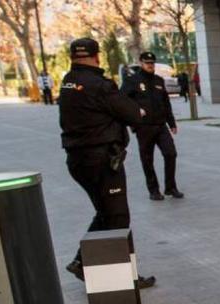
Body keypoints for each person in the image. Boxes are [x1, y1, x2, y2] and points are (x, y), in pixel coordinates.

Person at [59, 38, 155, 288]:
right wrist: (138, 111)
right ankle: (120, 280)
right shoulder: (100, 85)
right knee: (118, 217)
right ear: (97, 56)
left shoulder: (68, 81)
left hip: (77, 160)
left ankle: (81, 262)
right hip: (101, 160)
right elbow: (133, 113)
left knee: (105, 212)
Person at [121, 52, 184, 200]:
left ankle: (170, 187)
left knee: (170, 153)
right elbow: (122, 100)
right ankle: (153, 190)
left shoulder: (158, 80)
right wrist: (135, 112)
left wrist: (171, 122)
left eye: (152, 63)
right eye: (147, 63)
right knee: (147, 160)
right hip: (144, 127)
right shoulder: (132, 81)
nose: (150, 65)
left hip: (161, 125)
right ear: (141, 63)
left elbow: (166, 103)